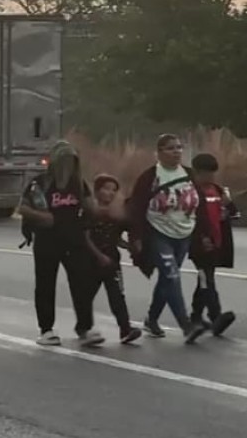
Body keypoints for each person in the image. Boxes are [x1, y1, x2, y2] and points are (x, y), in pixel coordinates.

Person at [18, 140, 109, 347]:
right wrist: (41, 217)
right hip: (47, 240)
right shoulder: (40, 183)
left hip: (74, 240)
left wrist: (96, 209)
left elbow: (88, 207)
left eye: (71, 160)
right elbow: (22, 208)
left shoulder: (78, 183)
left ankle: (85, 327)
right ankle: (46, 330)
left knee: (81, 283)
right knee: (45, 285)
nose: (67, 164)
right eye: (64, 159)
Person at [129, 134, 208, 343]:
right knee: (171, 275)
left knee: (167, 279)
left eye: (179, 148)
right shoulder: (150, 177)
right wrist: (135, 236)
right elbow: (137, 207)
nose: (176, 152)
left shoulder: (188, 175)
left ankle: (152, 319)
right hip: (158, 232)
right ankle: (186, 326)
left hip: (184, 233)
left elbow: (201, 205)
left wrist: (204, 234)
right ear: (160, 152)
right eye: (171, 148)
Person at [85, 174, 141, 345]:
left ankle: (125, 329)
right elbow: (85, 236)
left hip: (112, 260)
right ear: (97, 191)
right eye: (106, 189)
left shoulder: (116, 213)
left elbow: (116, 237)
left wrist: (129, 246)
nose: (109, 193)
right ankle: (85, 329)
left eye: (114, 190)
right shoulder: (90, 211)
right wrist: (98, 255)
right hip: (91, 259)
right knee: (85, 296)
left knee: (117, 295)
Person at [187, 153, 237, 341]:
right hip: (199, 244)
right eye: (207, 173)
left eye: (212, 173)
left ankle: (196, 316)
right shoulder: (191, 191)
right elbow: (189, 218)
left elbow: (232, 212)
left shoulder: (217, 190)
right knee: (207, 279)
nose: (210, 177)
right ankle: (216, 316)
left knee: (204, 280)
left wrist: (227, 205)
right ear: (197, 172)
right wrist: (201, 237)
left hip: (216, 242)